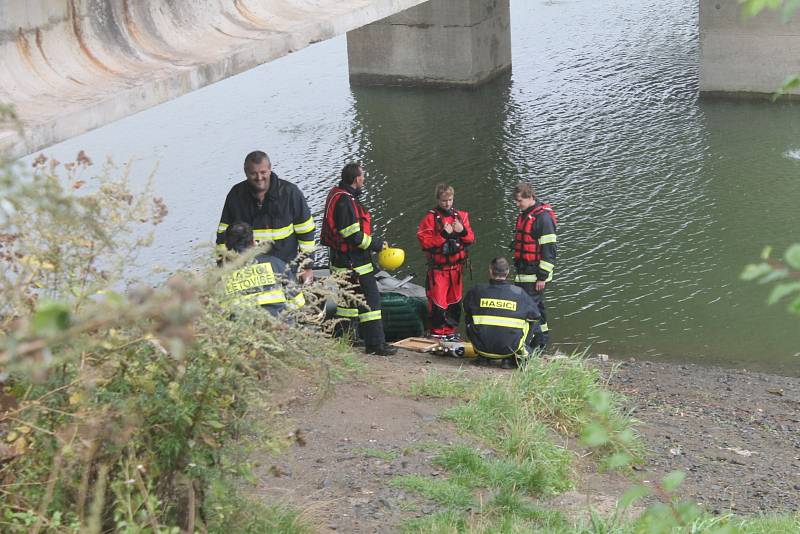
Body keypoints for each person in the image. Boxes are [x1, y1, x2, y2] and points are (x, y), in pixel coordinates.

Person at [320, 163, 397, 356]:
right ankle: (376, 345)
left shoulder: (337, 194)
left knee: (348, 303)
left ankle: (343, 338)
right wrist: (377, 245)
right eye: (363, 177)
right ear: (356, 179)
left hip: (341, 261)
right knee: (371, 303)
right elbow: (353, 236)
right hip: (355, 263)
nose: (364, 180)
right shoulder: (345, 202)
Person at [216, 151, 316, 282]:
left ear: (270, 169)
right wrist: (223, 267)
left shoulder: (290, 194)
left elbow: (306, 232)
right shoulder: (236, 196)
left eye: (263, 172)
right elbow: (223, 236)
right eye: (253, 173)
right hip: (250, 274)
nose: (259, 177)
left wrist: (307, 267)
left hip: (285, 269)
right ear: (246, 173)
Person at [416, 183, 475, 340]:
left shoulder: (461, 217)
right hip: (439, 270)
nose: (447, 204)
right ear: (438, 200)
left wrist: (462, 231)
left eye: (450, 200)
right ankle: (437, 333)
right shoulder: (430, 219)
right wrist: (443, 234)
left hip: (456, 269)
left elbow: (470, 239)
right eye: (444, 201)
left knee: (455, 302)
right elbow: (425, 243)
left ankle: (450, 331)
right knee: (438, 303)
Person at [463, 257, 540, 369]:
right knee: (531, 320)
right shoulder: (519, 293)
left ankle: (483, 357)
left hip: (481, 348)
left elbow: (466, 310)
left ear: (490, 270)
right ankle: (513, 356)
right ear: (507, 272)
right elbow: (536, 316)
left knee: (470, 314)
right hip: (509, 350)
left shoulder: (476, 290)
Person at [510, 182, 558, 350]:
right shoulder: (525, 214)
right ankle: (541, 342)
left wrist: (542, 277)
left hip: (535, 276)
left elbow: (549, 250)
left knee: (528, 309)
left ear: (530, 197)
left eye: (519, 201)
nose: (517, 204)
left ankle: (532, 345)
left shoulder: (543, 218)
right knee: (537, 308)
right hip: (524, 273)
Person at [221, 222, 305, 315]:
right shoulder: (276, 264)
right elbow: (298, 303)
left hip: (241, 328)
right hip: (279, 326)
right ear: (253, 242)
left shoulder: (221, 276)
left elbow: (218, 315)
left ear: (227, 247)